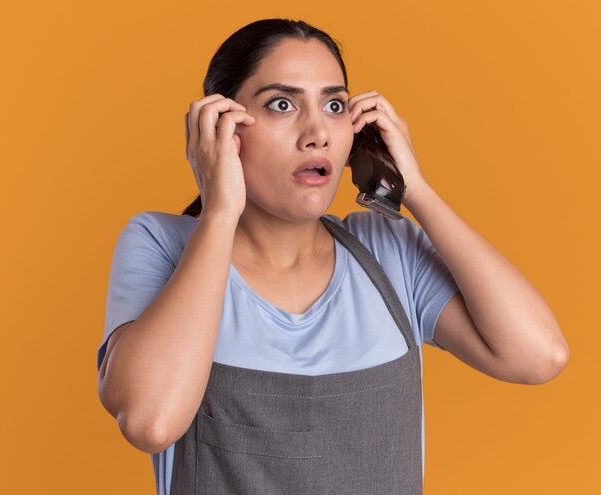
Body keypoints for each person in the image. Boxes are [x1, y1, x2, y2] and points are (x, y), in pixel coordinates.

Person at [96, 18, 569, 495]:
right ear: (222, 126)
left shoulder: (388, 249)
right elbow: (150, 421)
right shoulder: (161, 244)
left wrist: (415, 189)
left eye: (335, 104)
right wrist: (219, 210)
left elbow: (538, 355)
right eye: (283, 104)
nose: (317, 132)